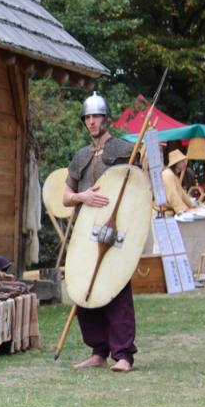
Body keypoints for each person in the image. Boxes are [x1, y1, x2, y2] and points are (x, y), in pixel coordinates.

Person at [62, 91, 138, 373]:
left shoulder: (125, 150)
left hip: (115, 230)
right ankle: (98, 351)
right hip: (85, 233)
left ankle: (123, 355)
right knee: (84, 289)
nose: (92, 122)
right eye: (88, 117)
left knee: (116, 290)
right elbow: (66, 197)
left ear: (106, 119)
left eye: (96, 116)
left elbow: (138, 188)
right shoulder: (81, 156)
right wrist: (82, 197)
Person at [161, 149, 197, 215]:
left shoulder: (173, 175)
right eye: (182, 161)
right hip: (164, 213)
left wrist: (192, 206)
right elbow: (172, 195)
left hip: (170, 211)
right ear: (176, 163)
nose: (185, 163)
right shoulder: (168, 174)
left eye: (185, 161)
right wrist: (182, 209)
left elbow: (183, 195)